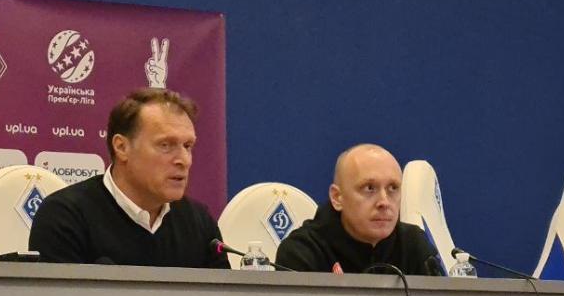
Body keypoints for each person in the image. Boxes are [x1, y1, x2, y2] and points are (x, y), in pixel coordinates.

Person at [29, 88, 228, 268]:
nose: (184, 160)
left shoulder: (199, 222)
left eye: (187, 146)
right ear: (122, 147)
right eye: (165, 145)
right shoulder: (65, 217)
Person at [276, 144, 438, 275]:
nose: (384, 202)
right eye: (369, 188)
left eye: (393, 188)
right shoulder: (302, 252)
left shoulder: (414, 245)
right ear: (337, 197)